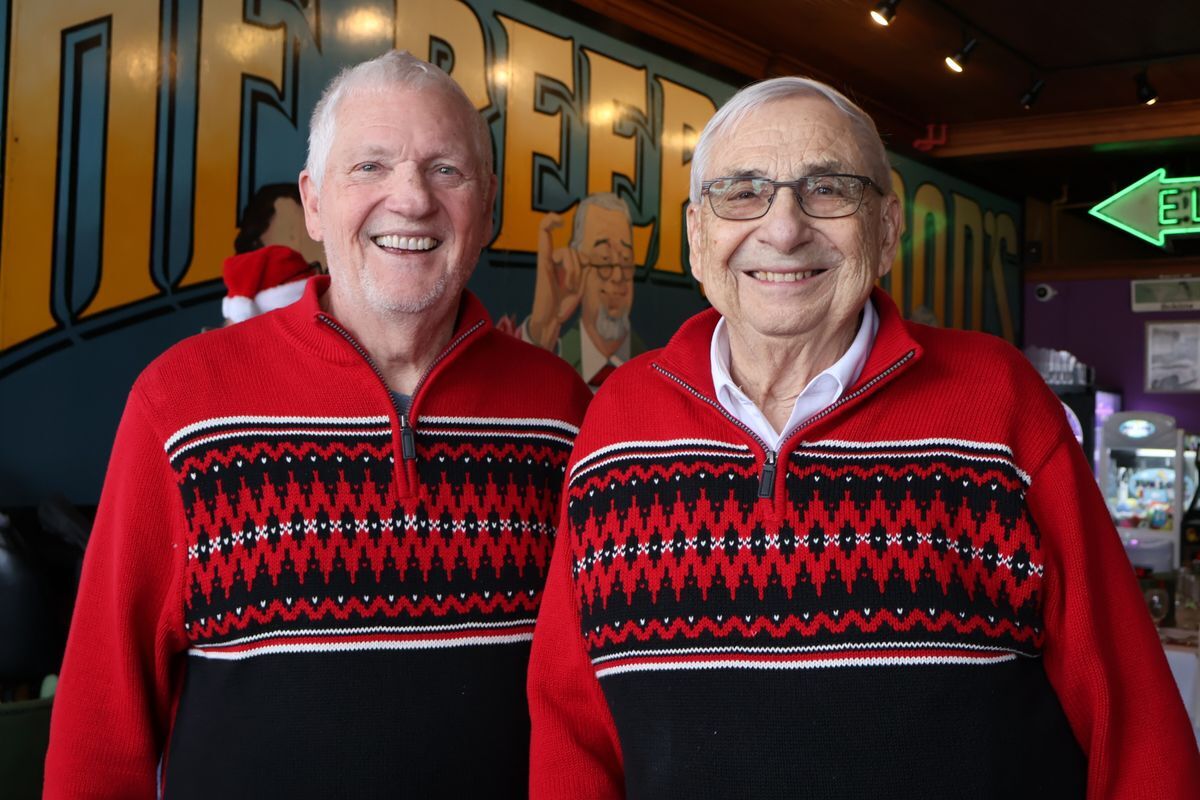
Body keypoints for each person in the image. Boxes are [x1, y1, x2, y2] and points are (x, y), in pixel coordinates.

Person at [527, 76, 1200, 798]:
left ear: (886, 229)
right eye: (743, 192)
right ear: (697, 236)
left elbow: (1137, 728)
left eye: (827, 189)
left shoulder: (1000, 401)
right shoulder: (619, 418)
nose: (784, 229)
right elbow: (572, 728)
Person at [45, 50, 591, 799]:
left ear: (488, 205)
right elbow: (100, 725)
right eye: (370, 167)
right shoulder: (180, 403)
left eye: (446, 170)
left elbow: (591, 707)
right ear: (312, 202)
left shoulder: (564, 414)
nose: (411, 199)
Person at [520, 193, 645, 388]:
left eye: (626, 259)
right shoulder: (556, 358)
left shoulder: (656, 370)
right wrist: (543, 335)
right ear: (576, 264)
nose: (618, 276)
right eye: (604, 258)